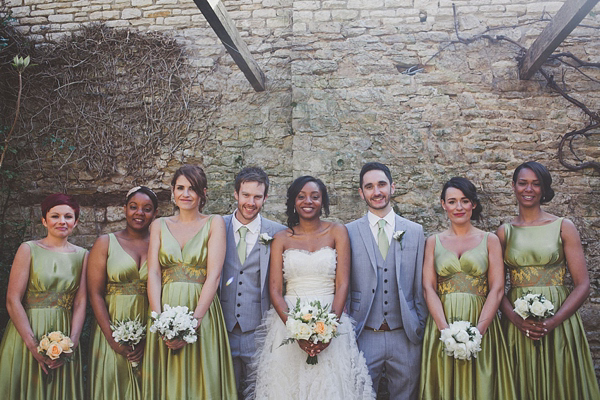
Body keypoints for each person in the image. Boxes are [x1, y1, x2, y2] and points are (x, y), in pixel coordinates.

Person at [247, 176, 374, 399]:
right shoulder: (281, 238)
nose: (308, 201)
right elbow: (275, 290)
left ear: (322, 201)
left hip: (331, 316)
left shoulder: (337, 232)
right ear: (293, 202)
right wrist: (296, 330)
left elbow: (343, 283)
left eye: (315, 197)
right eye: (302, 196)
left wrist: (329, 328)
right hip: (290, 319)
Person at [498, 161, 600, 400]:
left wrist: (553, 321)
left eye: (536, 184)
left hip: (559, 319)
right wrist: (515, 319)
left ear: (544, 189)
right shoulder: (504, 232)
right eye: (523, 183)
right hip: (518, 324)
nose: (528, 189)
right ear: (513, 187)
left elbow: (582, 284)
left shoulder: (563, 226)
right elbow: (496, 287)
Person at [142, 165, 237, 400]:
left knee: (202, 379)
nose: (185, 194)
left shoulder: (214, 223)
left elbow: (214, 275)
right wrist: (160, 320)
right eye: (180, 188)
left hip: (201, 310)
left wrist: (193, 323)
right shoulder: (159, 225)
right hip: (164, 307)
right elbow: (153, 272)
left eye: (192, 189)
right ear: (173, 191)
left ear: (202, 193)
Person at [419, 177, 515, 399]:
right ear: (443, 204)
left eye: (464, 201)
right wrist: (445, 332)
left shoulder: (490, 240)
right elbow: (428, 288)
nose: (458, 207)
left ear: (473, 203)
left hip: (481, 321)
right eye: (452, 201)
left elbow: (497, 289)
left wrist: (477, 333)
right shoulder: (433, 241)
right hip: (442, 323)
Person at [346, 162, 427, 399]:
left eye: (381, 184)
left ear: (392, 187)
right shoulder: (348, 232)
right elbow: (345, 285)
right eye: (369, 187)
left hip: (405, 334)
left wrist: (418, 325)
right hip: (364, 333)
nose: (376, 191)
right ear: (362, 193)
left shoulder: (414, 231)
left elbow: (419, 286)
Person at [0, 193, 88, 399]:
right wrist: (32, 345)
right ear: (44, 220)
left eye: (68, 216)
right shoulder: (28, 249)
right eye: (55, 216)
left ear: (76, 222)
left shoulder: (83, 255)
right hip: (27, 331)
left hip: (64, 333)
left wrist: (71, 346)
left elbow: (81, 302)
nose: (62, 221)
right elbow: (12, 300)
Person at [219, 167, 286, 398]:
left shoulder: (278, 233)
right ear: (236, 194)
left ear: (265, 198)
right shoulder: (216, 227)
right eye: (246, 195)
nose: (251, 202)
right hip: (221, 331)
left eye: (257, 196)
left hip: (258, 333)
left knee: (258, 393)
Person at [87, 186, 159, 400]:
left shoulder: (159, 244)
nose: (140, 213)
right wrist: (111, 339)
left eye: (147, 209)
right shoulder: (105, 243)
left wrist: (151, 336)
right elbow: (95, 294)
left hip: (149, 327)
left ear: (155, 213)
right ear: (124, 209)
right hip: (111, 325)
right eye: (133, 207)